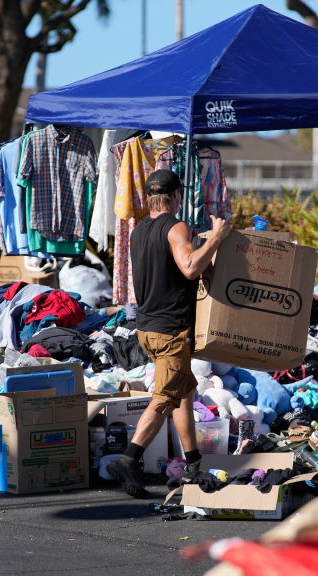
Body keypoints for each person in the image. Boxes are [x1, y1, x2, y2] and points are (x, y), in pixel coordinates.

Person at [108, 169, 231, 498]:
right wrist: (216, 238)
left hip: (147, 329)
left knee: (183, 394)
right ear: (176, 195)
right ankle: (129, 459)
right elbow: (190, 267)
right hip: (171, 330)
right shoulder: (175, 227)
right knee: (165, 397)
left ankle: (193, 464)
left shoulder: (138, 231)